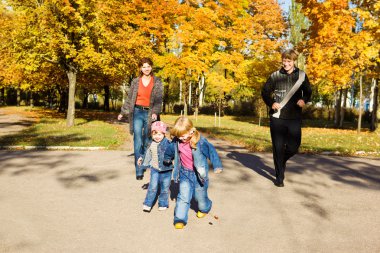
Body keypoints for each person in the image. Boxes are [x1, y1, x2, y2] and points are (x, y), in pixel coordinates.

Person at [261, 49, 312, 187]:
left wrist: (303, 100)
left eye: (289, 61)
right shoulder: (275, 76)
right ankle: (279, 177)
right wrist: (271, 103)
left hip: (294, 117)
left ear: (293, 61)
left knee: (294, 147)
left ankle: (281, 160)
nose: (286, 63)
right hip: (277, 117)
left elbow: (308, 91)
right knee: (277, 147)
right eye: (284, 60)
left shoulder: (301, 75)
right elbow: (265, 92)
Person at [164, 116, 223, 229]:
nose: (181, 138)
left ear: (191, 131)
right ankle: (180, 218)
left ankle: (205, 207)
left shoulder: (200, 142)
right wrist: (167, 158)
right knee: (183, 197)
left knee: (199, 197)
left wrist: (217, 165)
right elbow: (170, 150)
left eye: (183, 135)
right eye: (178, 135)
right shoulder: (176, 141)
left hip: (199, 175)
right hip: (185, 173)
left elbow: (212, 152)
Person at [118, 57, 163, 180]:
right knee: (137, 139)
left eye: (148, 66)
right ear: (140, 68)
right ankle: (139, 169)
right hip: (137, 112)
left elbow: (159, 100)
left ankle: (144, 160)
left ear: (151, 67)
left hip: (150, 114)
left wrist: (155, 112)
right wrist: (123, 112)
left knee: (147, 140)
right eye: (144, 66)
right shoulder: (135, 81)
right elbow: (130, 99)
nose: (146, 68)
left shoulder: (157, 81)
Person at [137, 121, 173, 212]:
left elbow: (174, 153)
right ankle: (148, 204)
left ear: (164, 134)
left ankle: (163, 203)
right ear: (152, 134)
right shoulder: (150, 143)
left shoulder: (168, 143)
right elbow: (146, 152)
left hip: (166, 170)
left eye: (160, 134)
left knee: (165, 188)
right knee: (152, 187)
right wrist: (141, 158)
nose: (157, 136)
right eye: (155, 134)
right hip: (155, 169)